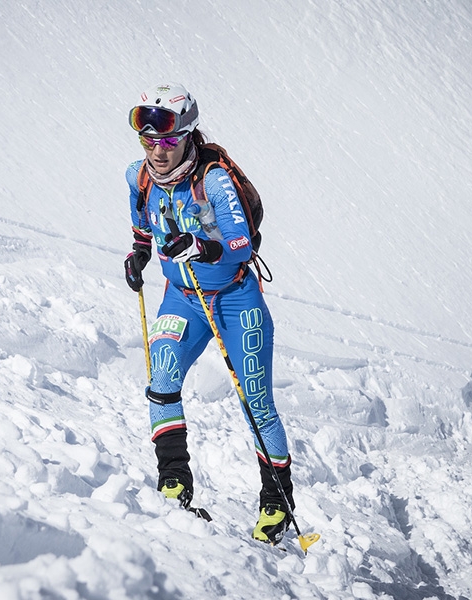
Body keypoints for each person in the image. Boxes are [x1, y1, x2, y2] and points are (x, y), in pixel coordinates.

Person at [123, 83, 295, 544]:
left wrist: (202, 244)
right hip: (182, 298)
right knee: (161, 378)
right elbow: (143, 225)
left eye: (168, 140)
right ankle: (174, 481)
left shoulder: (213, 180)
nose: (157, 151)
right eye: (149, 141)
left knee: (256, 402)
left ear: (188, 134)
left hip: (235, 300)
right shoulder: (137, 177)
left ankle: (277, 503)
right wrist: (139, 254)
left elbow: (241, 245)